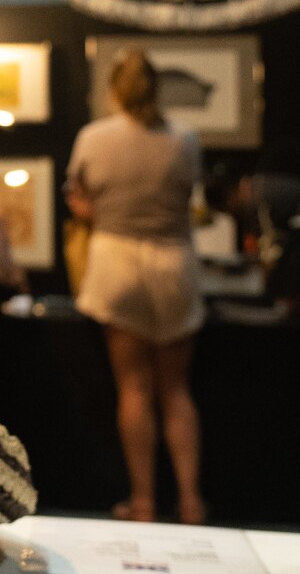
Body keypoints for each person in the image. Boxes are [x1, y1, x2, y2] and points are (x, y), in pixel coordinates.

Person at [65, 48, 208, 524]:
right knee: (176, 390)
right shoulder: (184, 138)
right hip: (174, 267)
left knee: (134, 388)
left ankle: (143, 501)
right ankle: (190, 500)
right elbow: (189, 200)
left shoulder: (94, 136)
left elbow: (79, 201)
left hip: (117, 266)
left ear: (113, 90)